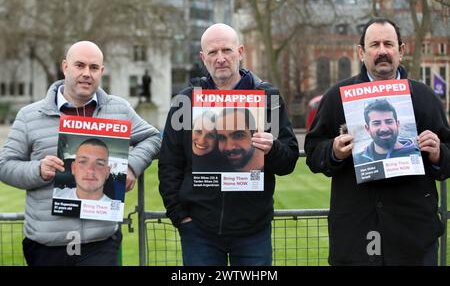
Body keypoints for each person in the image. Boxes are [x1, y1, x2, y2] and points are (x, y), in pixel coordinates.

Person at [0, 41, 161, 266]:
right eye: (80, 65)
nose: (87, 73)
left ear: (101, 72)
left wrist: (132, 165)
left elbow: (154, 138)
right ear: (65, 67)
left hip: (101, 242)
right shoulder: (29, 116)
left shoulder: (119, 109)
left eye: (94, 68)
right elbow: (5, 165)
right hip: (47, 245)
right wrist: (38, 170)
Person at [305, 17, 450, 265]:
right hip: (356, 237)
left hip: (413, 238)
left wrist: (438, 154)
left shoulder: (424, 97)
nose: (382, 51)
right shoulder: (337, 97)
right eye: (374, 45)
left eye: (388, 44)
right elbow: (312, 152)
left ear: (401, 51)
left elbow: (448, 154)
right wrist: (334, 152)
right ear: (361, 52)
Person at [158, 23, 299, 266]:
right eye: (212, 52)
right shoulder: (185, 101)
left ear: (240, 52)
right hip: (199, 230)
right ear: (203, 58)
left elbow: (289, 161)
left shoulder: (268, 98)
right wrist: (179, 215)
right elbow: (170, 162)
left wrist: (273, 148)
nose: (220, 58)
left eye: (227, 50)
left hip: (253, 229)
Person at [353, 98, 421, 164]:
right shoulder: (357, 160)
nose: (384, 128)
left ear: (397, 124)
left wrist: (431, 160)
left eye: (389, 122)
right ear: (368, 129)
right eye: (376, 123)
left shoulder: (418, 153)